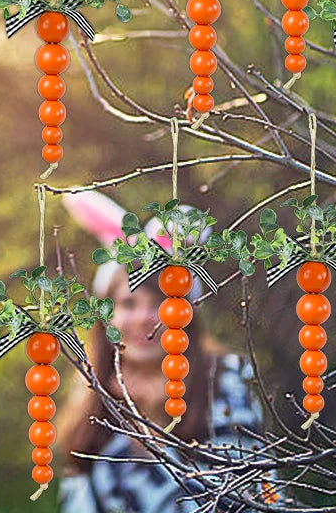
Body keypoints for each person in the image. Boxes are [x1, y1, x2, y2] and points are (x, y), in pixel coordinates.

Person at [57, 191, 269, 513]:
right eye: (129, 304)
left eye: (161, 303)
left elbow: (250, 493)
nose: (145, 318)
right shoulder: (94, 401)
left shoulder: (223, 382)